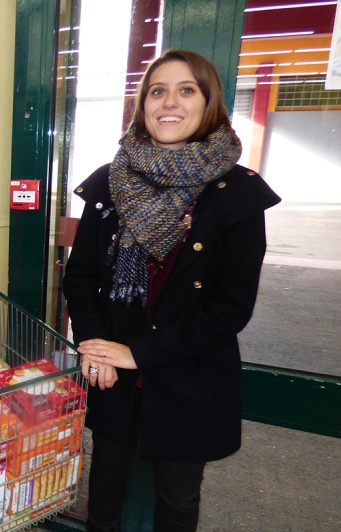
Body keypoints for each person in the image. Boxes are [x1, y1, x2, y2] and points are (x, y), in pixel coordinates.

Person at [62, 50, 280, 532]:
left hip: (188, 374)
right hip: (111, 376)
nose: (169, 102)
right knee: (105, 485)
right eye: (157, 91)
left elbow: (230, 308)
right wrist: (97, 347)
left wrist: (137, 353)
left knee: (178, 499)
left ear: (209, 104)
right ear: (143, 105)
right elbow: (80, 279)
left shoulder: (239, 195)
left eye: (186, 90)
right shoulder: (110, 182)